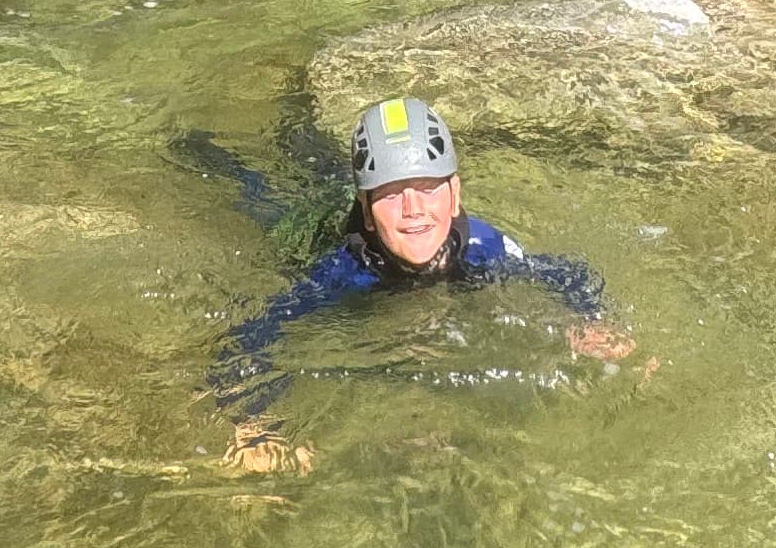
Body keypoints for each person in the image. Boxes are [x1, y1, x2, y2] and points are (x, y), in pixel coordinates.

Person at [211, 92, 636, 468]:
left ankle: (296, 110)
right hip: (303, 220)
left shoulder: (485, 247)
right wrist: (254, 423)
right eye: (392, 193)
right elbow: (250, 339)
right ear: (367, 210)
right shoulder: (342, 272)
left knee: (310, 155)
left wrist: (593, 319)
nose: (413, 208)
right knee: (257, 192)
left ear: (455, 195)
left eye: (428, 188)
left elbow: (567, 273)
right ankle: (201, 146)